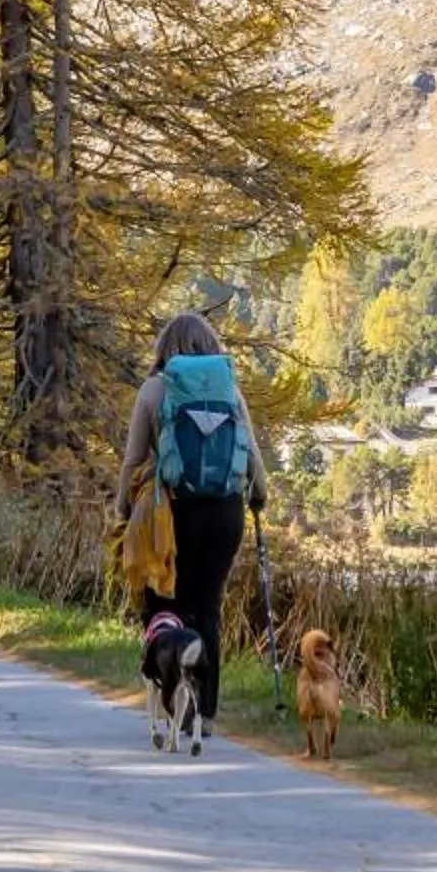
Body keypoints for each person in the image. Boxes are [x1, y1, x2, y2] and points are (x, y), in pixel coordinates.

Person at [116, 310, 267, 731]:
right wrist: (259, 496)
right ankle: (205, 712)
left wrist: (122, 510)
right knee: (208, 608)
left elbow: (133, 460)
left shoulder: (153, 390)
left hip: (174, 510)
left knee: (166, 604)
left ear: (165, 348)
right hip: (226, 512)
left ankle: (172, 697)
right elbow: (252, 454)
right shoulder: (230, 391)